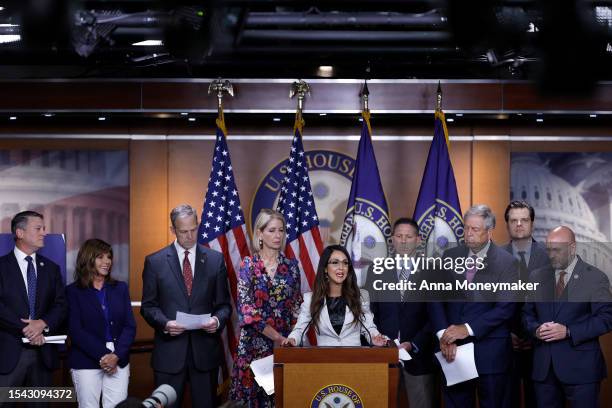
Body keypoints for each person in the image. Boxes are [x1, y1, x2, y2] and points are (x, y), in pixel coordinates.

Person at [141, 204, 231, 408]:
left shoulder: (215, 260)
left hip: (205, 355)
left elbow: (224, 305)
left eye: (193, 229)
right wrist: (165, 323)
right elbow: (148, 306)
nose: (190, 236)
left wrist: (216, 321)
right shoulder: (155, 262)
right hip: (169, 356)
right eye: (183, 231)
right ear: (173, 230)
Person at [428, 204, 518, 408]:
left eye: (475, 229)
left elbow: (505, 308)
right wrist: (444, 334)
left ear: (489, 231)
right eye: (466, 228)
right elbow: (434, 298)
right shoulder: (449, 256)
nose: (468, 234)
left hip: (490, 354)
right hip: (453, 353)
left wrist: (465, 329)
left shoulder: (507, 263)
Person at [523, 226, 612, 408]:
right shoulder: (536, 276)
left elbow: (607, 318)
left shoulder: (595, 278)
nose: (551, 255)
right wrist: (535, 329)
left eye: (557, 250)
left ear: (572, 248)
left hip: (582, 371)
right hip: (544, 371)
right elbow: (526, 314)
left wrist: (569, 331)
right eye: (549, 249)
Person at [229, 209, 302, 407]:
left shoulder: (292, 266)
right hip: (253, 349)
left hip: (285, 348)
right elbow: (247, 313)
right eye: (271, 230)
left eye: (281, 230)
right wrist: (277, 338)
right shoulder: (248, 265)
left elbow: (297, 308)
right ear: (260, 234)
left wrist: (291, 339)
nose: (278, 235)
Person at [365, 218, 437, 408]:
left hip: (419, 357)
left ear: (418, 240)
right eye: (399, 236)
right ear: (392, 239)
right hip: (384, 356)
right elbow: (370, 311)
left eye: (409, 236)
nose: (404, 241)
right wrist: (378, 339)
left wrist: (413, 344)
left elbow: (435, 317)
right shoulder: (376, 269)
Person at [0, 211, 67, 401]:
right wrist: (28, 329)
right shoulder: (2, 267)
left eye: (44, 228)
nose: (44, 233)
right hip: (8, 355)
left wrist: (43, 323)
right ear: (20, 233)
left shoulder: (51, 268)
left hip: (43, 355)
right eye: (38, 228)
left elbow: (61, 305)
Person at [66, 238, 136, 408]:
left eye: (109, 257)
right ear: (87, 259)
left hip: (119, 358)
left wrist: (116, 356)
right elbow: (76, 330)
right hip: (86, 359)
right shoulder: (72, 291)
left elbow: (130, 325)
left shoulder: (120, 288)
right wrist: (105, 356)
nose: (107, 262)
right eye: (100, 257)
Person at [284, 244, 387, 347]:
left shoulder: (360, 297)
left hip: (355, 360)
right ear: (325, 268)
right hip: (325, 361)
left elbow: (369, 327)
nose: (341, 267)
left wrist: (375, 337)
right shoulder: (311, 299)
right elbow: (299, 330)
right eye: (335, 263)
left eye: (345, 263)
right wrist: (292, 339)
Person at [502, 201, 551, 408]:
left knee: (539, 402)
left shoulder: (550, 256)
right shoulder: (493, 258)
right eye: (514, 220)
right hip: (505, 345)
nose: (519, 224)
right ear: (507, 224)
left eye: (524, 220)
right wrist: (507, 335)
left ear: (532, 223)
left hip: (543, 345)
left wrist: (536, 333)